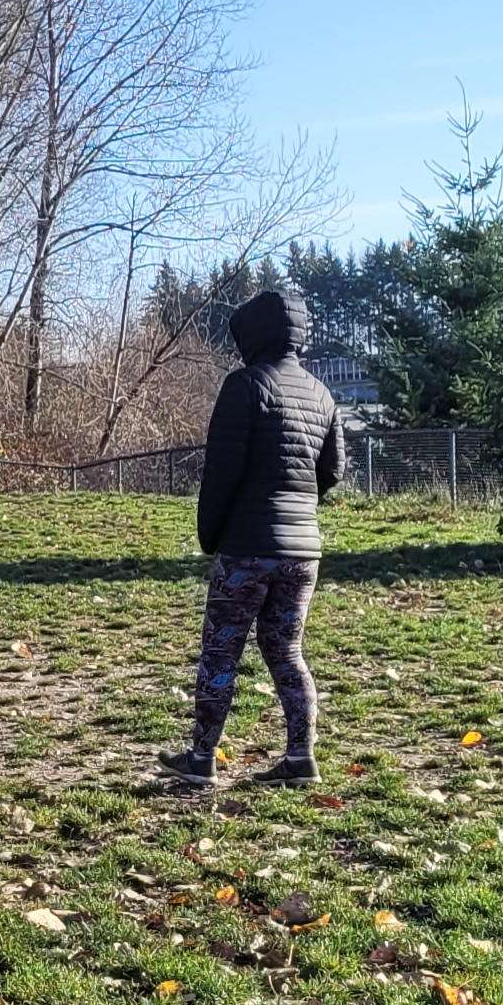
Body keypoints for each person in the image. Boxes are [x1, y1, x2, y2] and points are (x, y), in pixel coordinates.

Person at [166, 287, 342, 787]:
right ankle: (300, 757)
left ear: (255, 333)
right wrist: (299, 512)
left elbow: (221, 471)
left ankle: (201, 758)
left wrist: (211, 534)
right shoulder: (322, 394)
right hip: (302, 550)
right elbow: (332, 470)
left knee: (222, 651)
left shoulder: (245, 385)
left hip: (247, 546)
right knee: (287, 652)